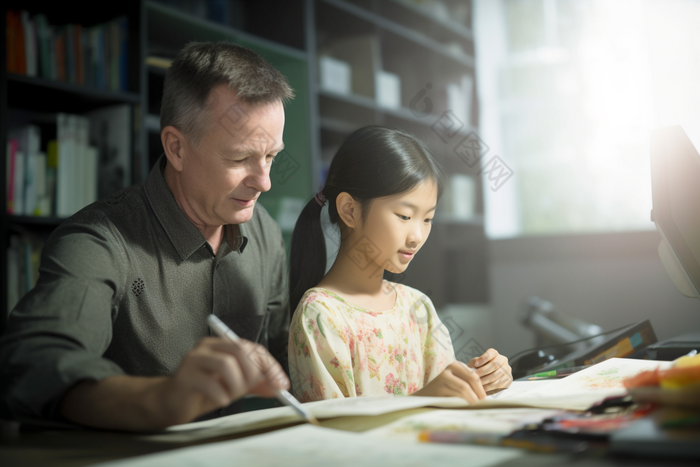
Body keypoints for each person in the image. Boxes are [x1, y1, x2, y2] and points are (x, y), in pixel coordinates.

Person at [0, 42, 294, 431]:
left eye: (271, 155)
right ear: (176, 147)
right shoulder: (98, 240)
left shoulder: (266, 233)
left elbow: (283, 357)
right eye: (240, 158)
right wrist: (162, 401)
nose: (265, 183)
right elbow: (31, 363)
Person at [288, 126, 512, 403]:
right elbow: (332, 435)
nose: (417, 236)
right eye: (404, 216)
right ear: (350, 210)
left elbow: (452, 399)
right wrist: (424, 400)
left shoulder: (417, 307)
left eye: (427, 219)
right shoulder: (321, 316)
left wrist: (485, 380)